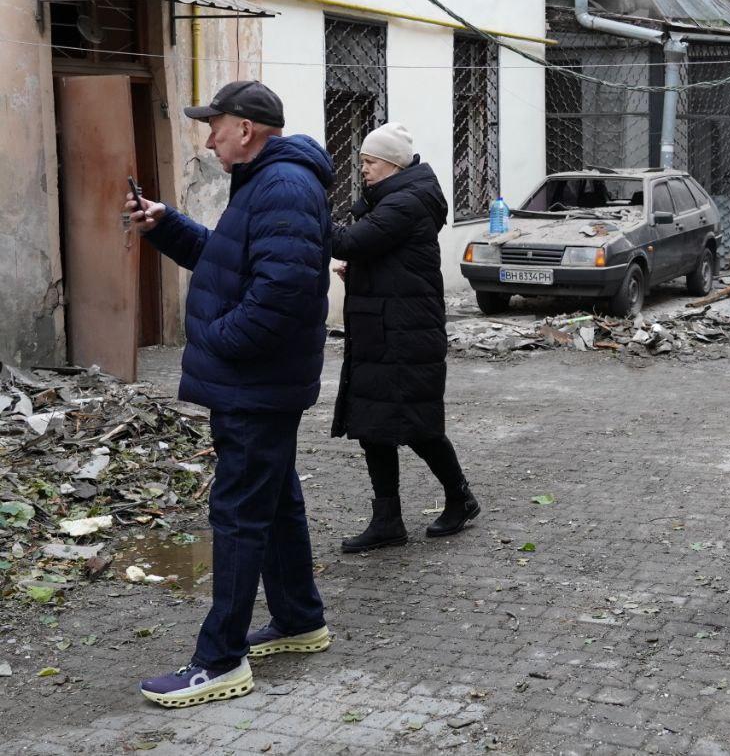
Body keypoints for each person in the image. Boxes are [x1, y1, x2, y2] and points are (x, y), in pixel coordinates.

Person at [125, 80, 333, 707]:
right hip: (258, 383)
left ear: (245, 128)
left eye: (213, 124)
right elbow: (231, 261)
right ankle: (299, 619)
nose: (207, 136)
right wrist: (169, 226)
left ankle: (219, 661)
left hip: (255, 384)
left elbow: (282, 293)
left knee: (239, 515)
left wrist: (218, 340)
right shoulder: (268, 181)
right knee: (274, 501)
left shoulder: (284, 185)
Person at [331, 123, 479, 553]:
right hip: (384, 328)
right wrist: (361, 271)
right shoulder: (397, 200)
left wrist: (306, 212)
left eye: (370, 162)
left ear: (394, 165)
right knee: (372, 425)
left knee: (417, 425)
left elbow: (349, 241)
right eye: (361, 162)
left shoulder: (405, 202)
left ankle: (461, 498)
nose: (363, 170)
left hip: (405, 332)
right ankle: (387, 521)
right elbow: (383, 255)